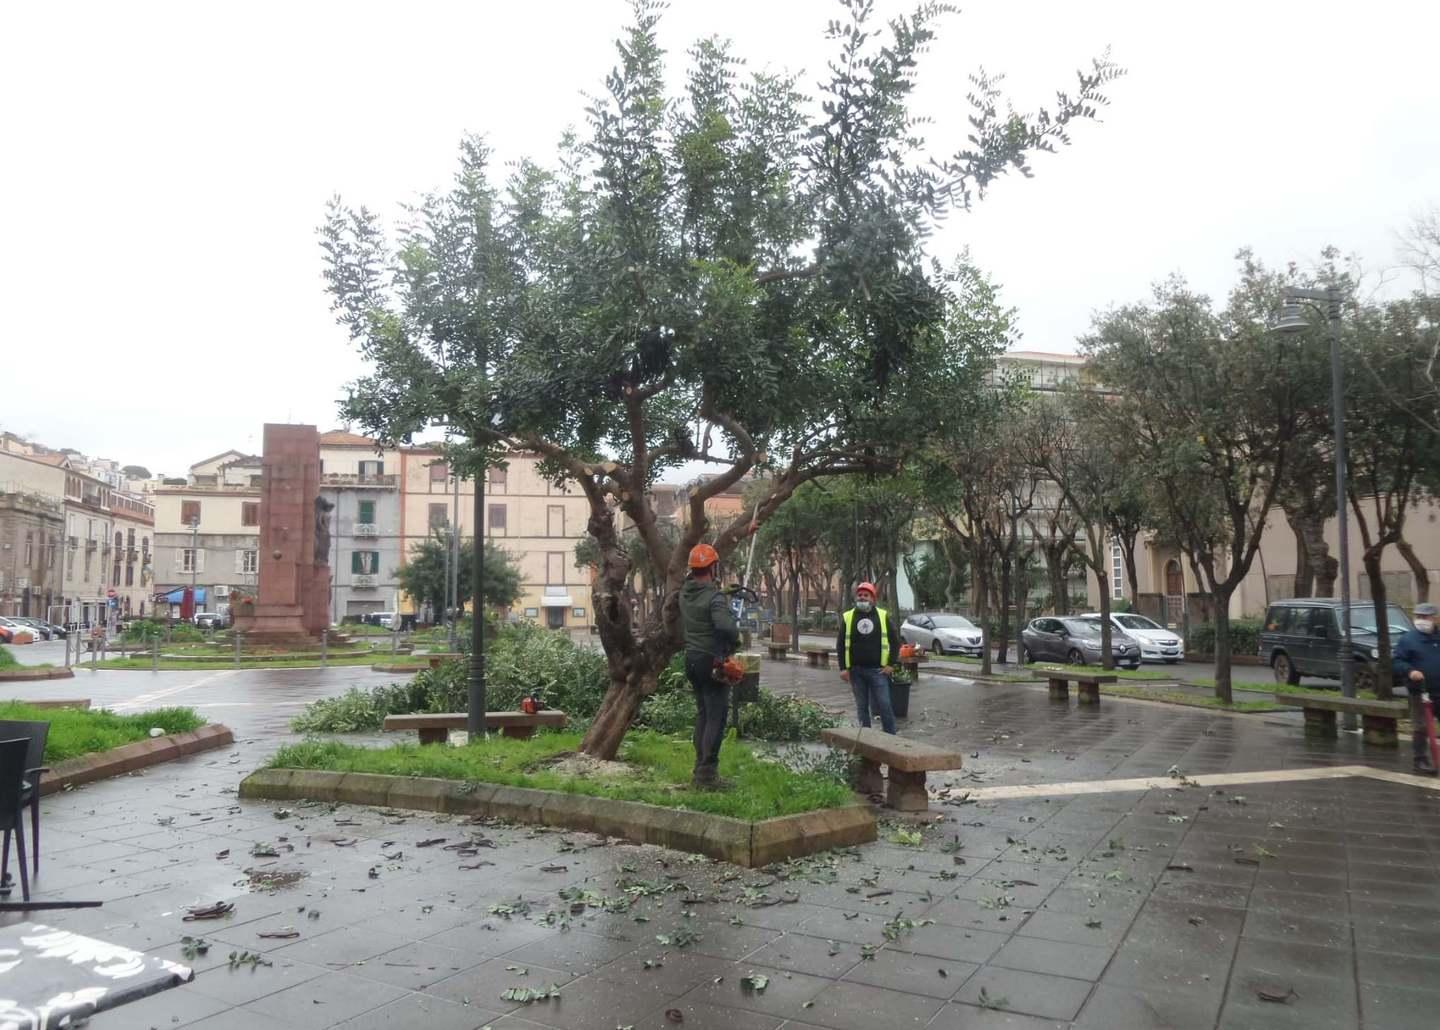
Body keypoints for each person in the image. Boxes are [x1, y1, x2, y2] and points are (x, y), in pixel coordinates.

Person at [679, 543, 739, 788]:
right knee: (716, 716)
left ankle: (699, 768)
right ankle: (707, 776)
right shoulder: (715, 598)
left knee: (703, 715)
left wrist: (722, 593)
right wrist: (734, 639)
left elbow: (701, 597)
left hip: (692, 659)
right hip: (712, 661)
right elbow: (725, 627)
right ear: (713, 567)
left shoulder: (685, 592)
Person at [837, 582, 900, 734]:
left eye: (866, 595)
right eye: (860, 595)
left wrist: (891, 663)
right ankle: (865, 738)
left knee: (884, 704)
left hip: (878, 671)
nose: (862, 598)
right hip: (856, 671)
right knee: (861, 706)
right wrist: (843, 668)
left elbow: (895, 642)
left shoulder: (882, 616)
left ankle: (891, 738)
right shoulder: (848, 617)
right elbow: (840, 644)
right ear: (855, 597)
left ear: (873, 598)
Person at [1393, 601, 1440, 775]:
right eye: (1418, 616)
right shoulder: (1408, 639)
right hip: (1419, 691)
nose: (1421, 620)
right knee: (1420, 726)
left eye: (1425, 617)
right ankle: (1420, 760)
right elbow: (1397, 662)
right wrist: (1410, 671)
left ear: (1434, 618)